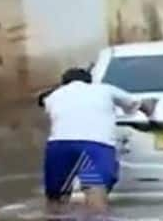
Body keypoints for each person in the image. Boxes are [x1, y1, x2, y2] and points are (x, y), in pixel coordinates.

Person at [39, 68, 156, 211]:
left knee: (56, 200)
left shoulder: (54, 95)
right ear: (90, 81)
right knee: (95, 196)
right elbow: (139, 104)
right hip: (95, 146)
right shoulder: (105, 90)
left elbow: (44, 102)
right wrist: (149, 110)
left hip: (59, 146)